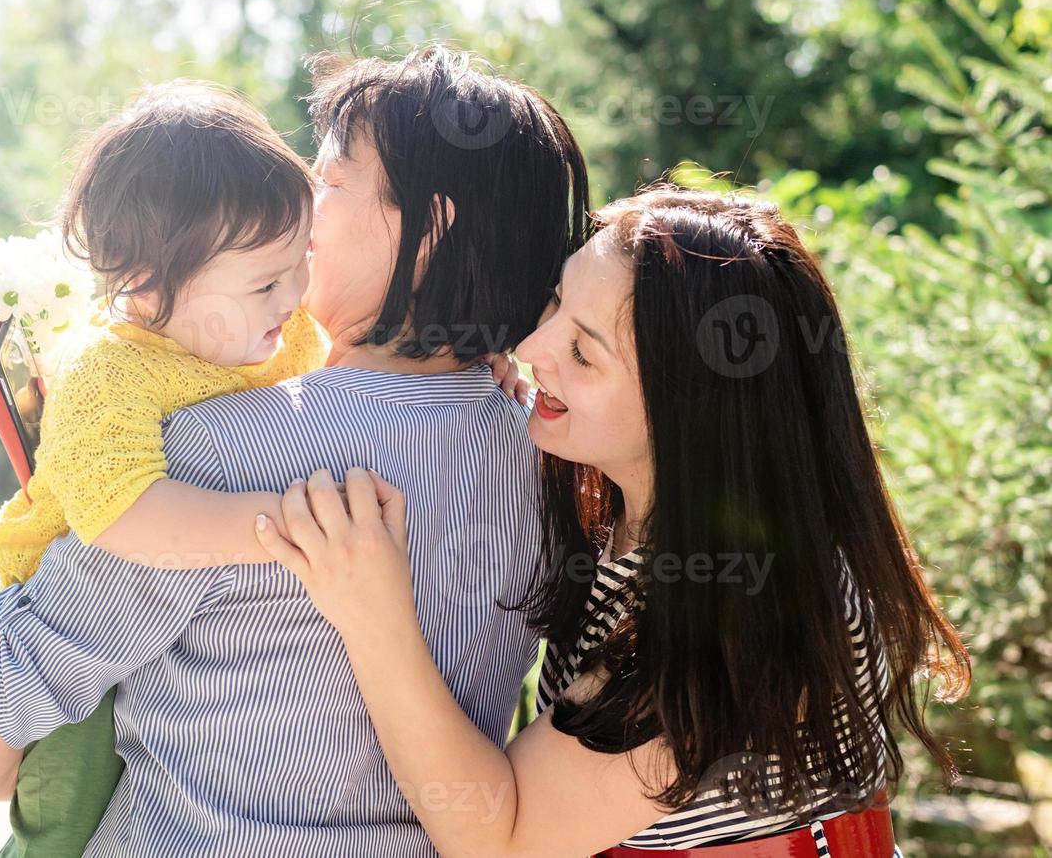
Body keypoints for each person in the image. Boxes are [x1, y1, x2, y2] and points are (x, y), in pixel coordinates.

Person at [0, 45, 589, 856]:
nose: (303, 202)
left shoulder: (213, 461)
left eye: (332, 182)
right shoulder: (563, 474)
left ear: (428, 230)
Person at [257, 187, 972, 857]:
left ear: (689, 409)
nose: (533, 349)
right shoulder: (655, 517)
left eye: (582, 351)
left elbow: (499, 839)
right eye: (554, 306)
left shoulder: (741, 611)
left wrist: (372, 612)